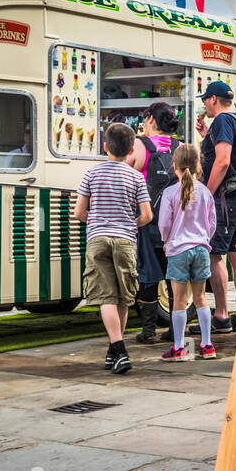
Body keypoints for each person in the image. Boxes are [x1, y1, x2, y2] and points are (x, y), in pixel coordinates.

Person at [74, 122, 151, 374]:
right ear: (131, 151)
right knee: (123, 297)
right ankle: (115, 351)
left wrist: (97, 221)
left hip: (97, 239)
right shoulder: (136, 176)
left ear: (105, 147)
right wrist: (130, 223)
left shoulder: (91, 174)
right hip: (126, 240)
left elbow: (79, 212)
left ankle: (118, 350)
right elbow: (147, 215)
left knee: (105, 297)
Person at [197, 79, 236, 335]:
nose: (205, 103)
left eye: (205, 99)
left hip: (223, 199)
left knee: (214, 254)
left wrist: (207, 193)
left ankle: (220, 315)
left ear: (213, 99)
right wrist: (207, 136)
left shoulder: (222, 121)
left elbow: (223, 161)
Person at [125, 102, 179, 343]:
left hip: (147, 221)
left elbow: (124, 175)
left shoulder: (138, 145)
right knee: (174, 274)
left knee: (147, 273)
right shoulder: (181, 147)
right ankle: (175, 330)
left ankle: (148, 331)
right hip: (176, 224)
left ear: (149, 119)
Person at [157, 143, 217, 360]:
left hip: (178, 250)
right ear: (198, 165)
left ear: (175, 166)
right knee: (200, 297)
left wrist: (166, 240)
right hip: (200, 248)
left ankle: (179, 347)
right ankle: (208, 345)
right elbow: (212, 223)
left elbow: (164, 223)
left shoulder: (170, 192)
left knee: (180, 300)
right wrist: (203, 239)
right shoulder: (206, 192)